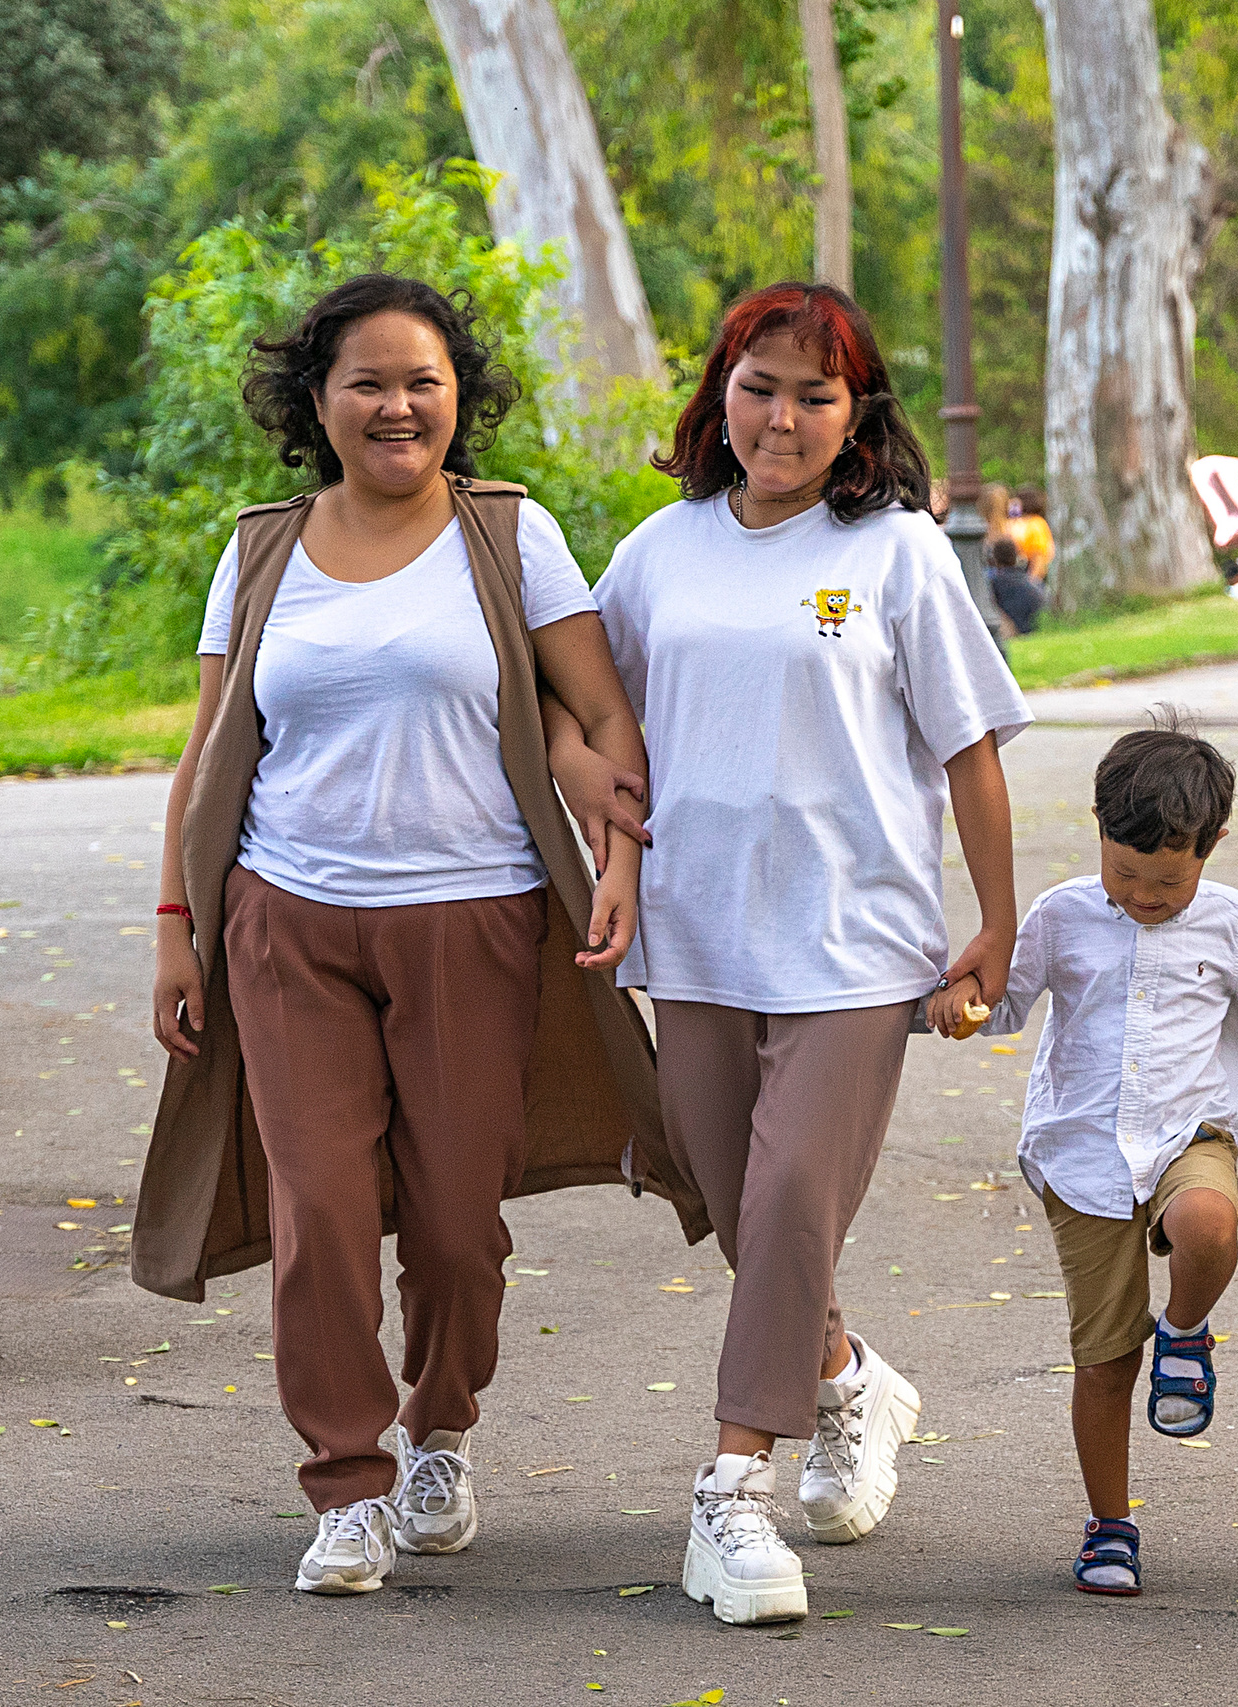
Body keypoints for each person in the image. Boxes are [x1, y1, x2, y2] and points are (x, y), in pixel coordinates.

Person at [136, 273, 702, 1598]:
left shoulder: (509, 536)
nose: (398, 404)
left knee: (454, 1221)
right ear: (316, 403)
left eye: (423, 381)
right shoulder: (261, 546)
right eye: (368, 382)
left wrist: (616, 862)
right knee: (319, 1208)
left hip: (475, 919)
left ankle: (441, 1423)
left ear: (460, 398)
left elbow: (604, 722)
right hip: (288, 921)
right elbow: (208, 750)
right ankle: (346, 1481)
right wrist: (177, 925)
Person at [549, 281, 1030, 1628]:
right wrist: (609, 826)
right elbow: (575, 715)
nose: (784, 415)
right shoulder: (659, 550)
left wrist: (991, 926)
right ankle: (846, 1373)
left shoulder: (895, 553)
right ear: (721, 395)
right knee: (732, 1199)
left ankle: (733, 1494)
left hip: (857, 949)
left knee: (788, 1203)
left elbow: (971, 753)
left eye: (816, 394)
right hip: (695, 940)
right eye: (760, 385)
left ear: (854, 415)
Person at [938, 721, 1238, 1596]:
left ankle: (1187, 1328)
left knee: (1206, 1224)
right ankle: (1110, 1524)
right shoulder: (1061, 916)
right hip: (1078, 1153)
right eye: (1126, 873)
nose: (1147, 894)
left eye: (1170, 878)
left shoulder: (1230, 922)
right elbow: (1003, 1004)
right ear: (1096, 829)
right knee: (1106, 1356)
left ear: (1212, 846)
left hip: (1186, 1135)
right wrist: (957, 1001)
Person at [987, 535, 1046, 636]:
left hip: (1015, 631)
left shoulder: (994, 583)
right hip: (1034, 629)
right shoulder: (1032, 582)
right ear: (1016, 556)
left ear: (995, 558)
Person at [1014, 486, 1055, 581]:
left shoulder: (1036, 525)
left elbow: (1039, 556)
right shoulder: (1029, 522)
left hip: (1032, 575)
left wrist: (1032, 582)